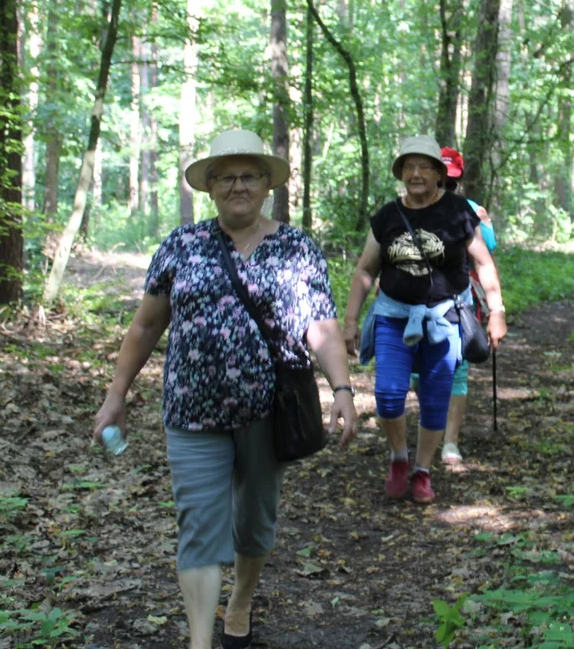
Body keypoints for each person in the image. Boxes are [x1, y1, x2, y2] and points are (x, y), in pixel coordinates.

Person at [92, 129, 359, 649]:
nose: (239, 186)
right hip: (191, 412)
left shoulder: (297, 247)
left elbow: (321, 327)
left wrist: (342, 388)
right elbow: (146, 326)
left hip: (269, 411)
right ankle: (199, 640)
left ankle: (239, 602)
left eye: (250, 176)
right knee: (199, 527)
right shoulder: (181, 245)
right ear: (211, 187)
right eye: (227, 177)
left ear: (266, 185)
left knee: (255, 521)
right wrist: (115, 394)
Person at [342, 135, 506, 503]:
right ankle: (399, 458)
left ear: (437, 173)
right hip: (393, 317)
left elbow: (483, 262)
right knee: (387, 394)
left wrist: (497, 312)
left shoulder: (459, 211)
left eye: (424, 167)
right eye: (409, 167)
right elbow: (366, 269)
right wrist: (350, 320)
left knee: (435, 399)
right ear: (401, 173)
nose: (416, 174)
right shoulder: (387, 216)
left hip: (445, 318)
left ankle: (422, 471)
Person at [437, 147, 496, 465]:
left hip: (463, 300)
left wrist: (495, 308)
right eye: (442, 180)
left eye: (452, 182)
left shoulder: (473, 210)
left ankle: (450, 441)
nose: (447, 187)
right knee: (421, 375)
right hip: (421, 302)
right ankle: (436, 424)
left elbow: (487, 257)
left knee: (458, 371)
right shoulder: (413, 208)